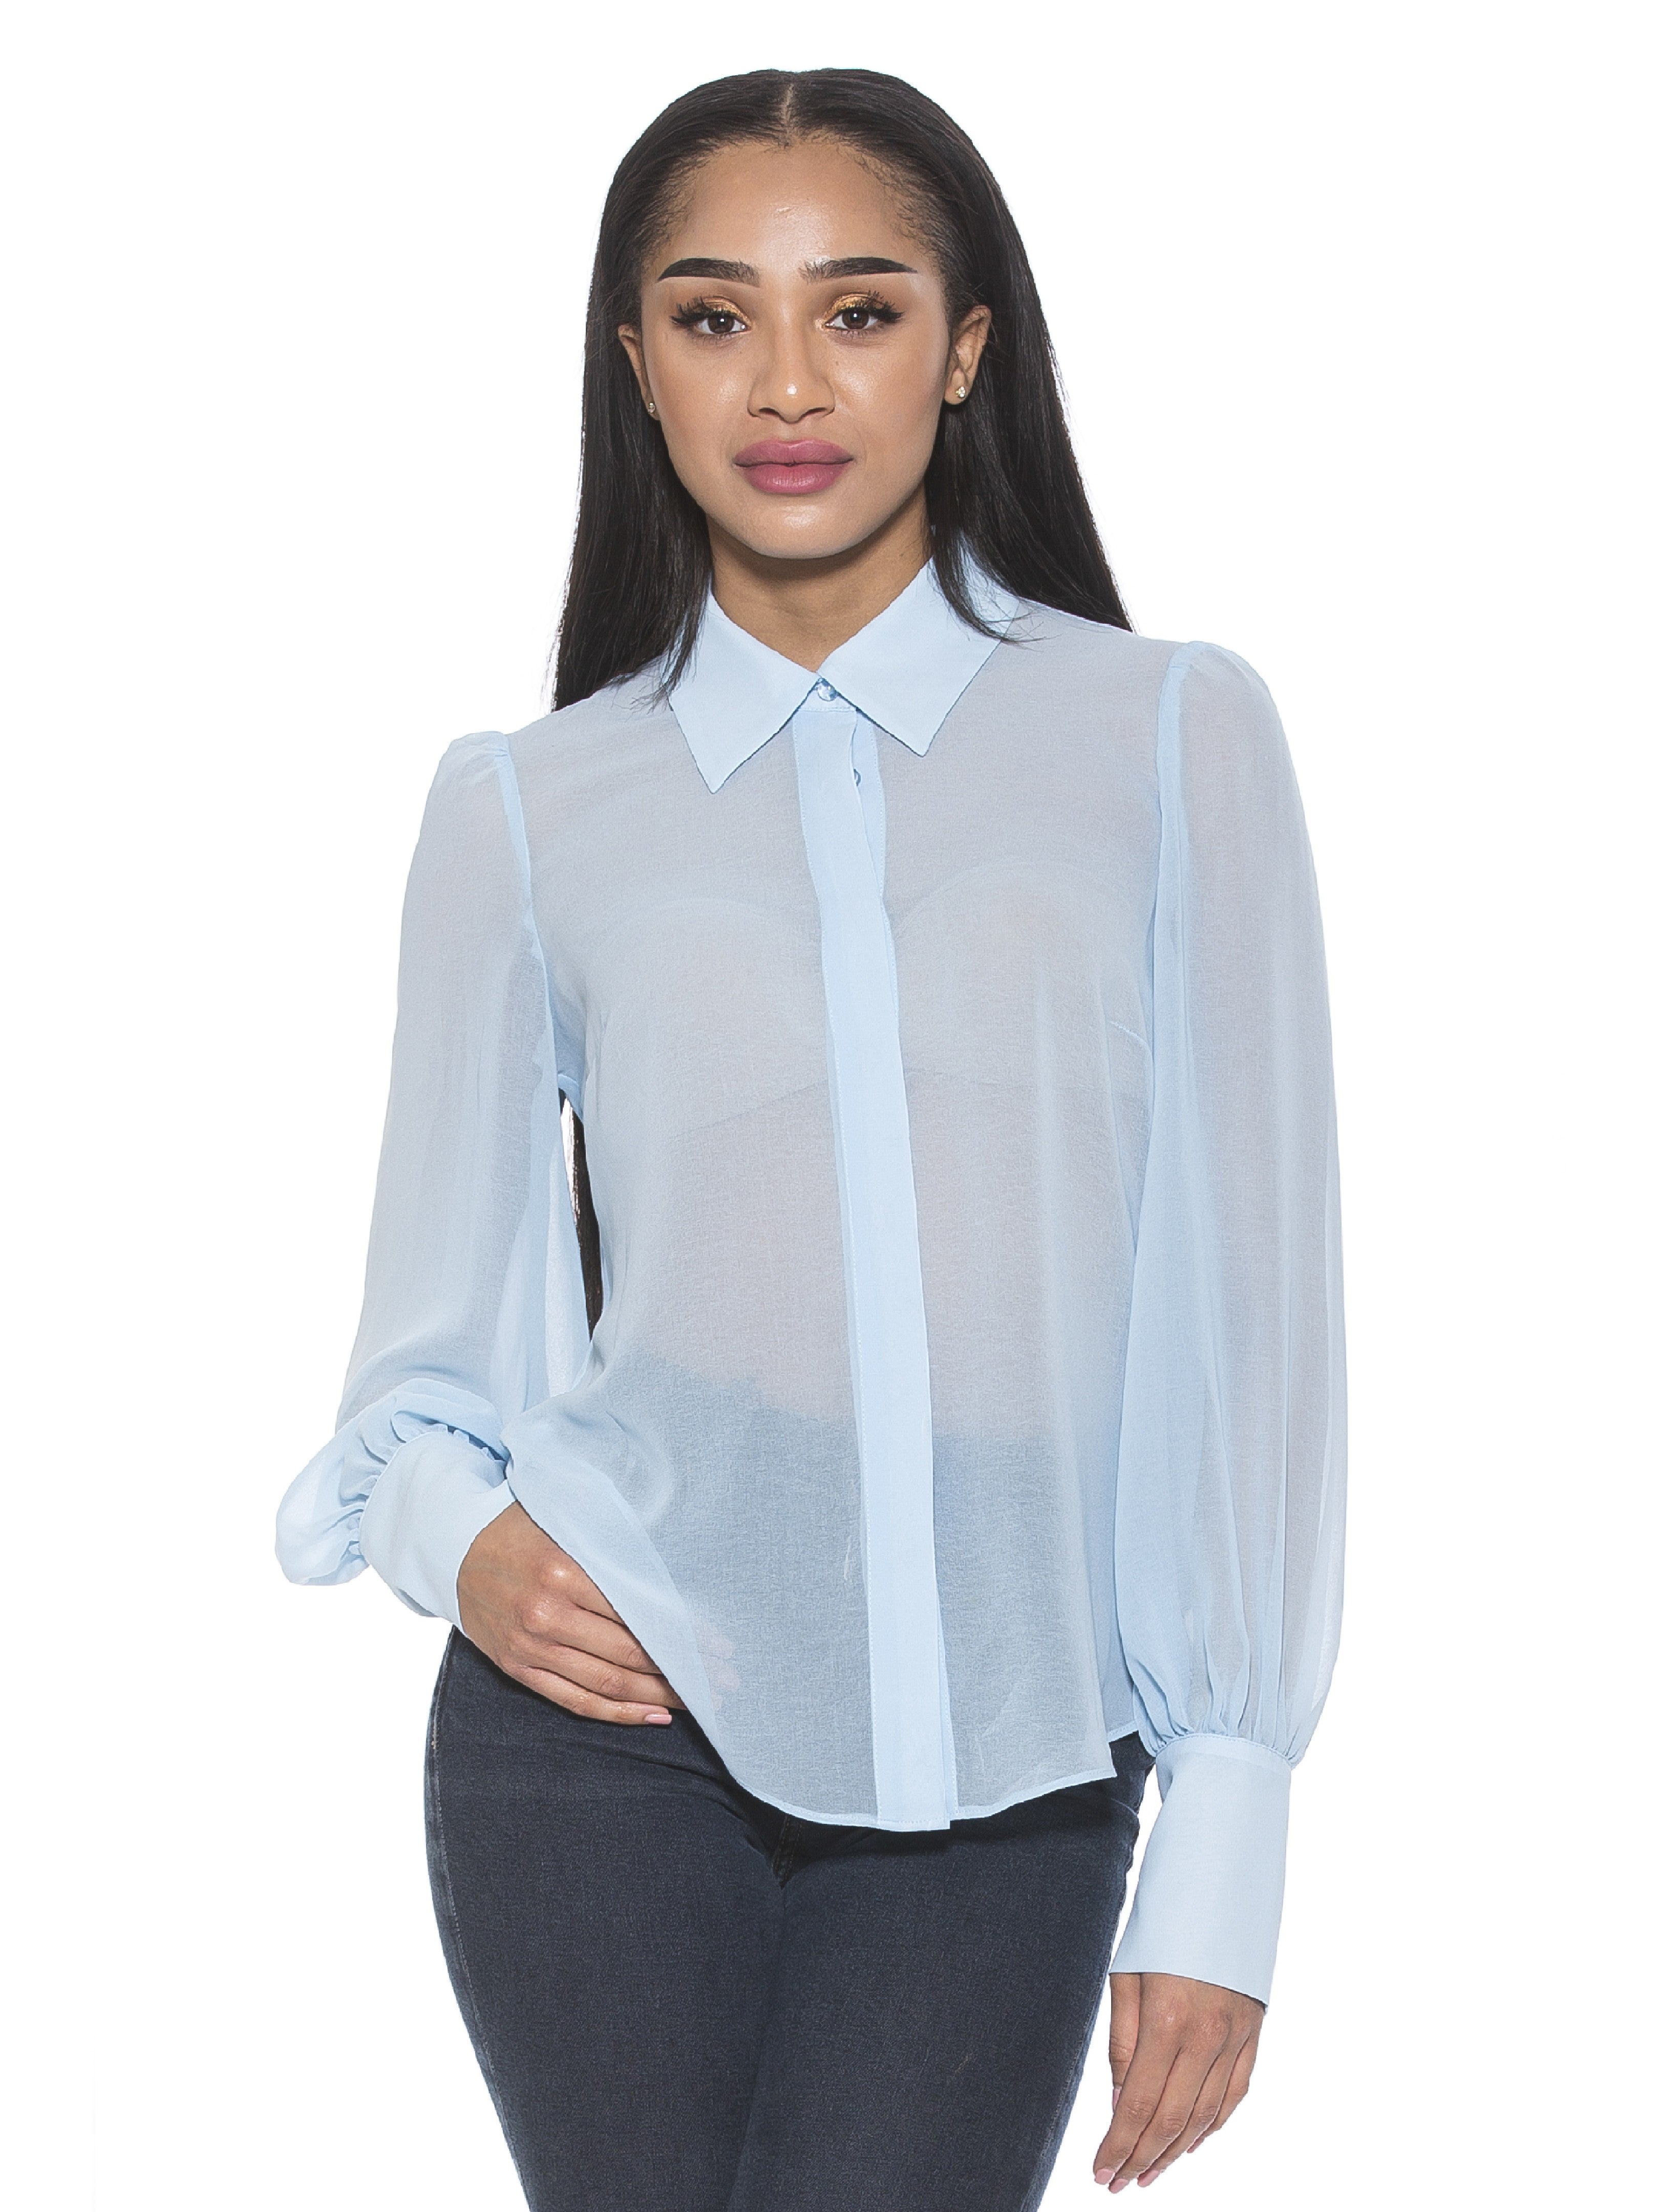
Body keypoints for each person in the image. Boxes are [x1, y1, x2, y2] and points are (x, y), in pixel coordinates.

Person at [276, 65, 1346, 2211]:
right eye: (713, 316)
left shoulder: (1169, 737)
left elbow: (1254, 1302)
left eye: (858, 311)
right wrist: (461, 1542)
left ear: (964, 351)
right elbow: (422, 1361)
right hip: (600, 1738)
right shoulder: (525, 807)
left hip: (1017, 1743)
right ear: (635, 361)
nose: (785, 382)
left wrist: (1228, 1816)